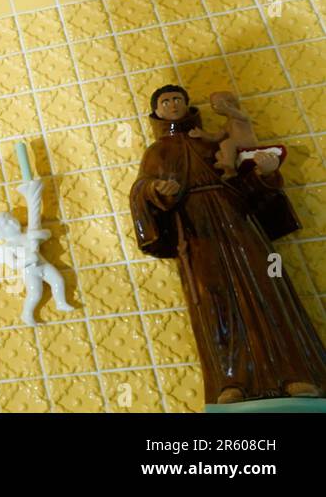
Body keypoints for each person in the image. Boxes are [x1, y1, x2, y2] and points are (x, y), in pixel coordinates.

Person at [129, 84, 326, 405]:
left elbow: (245, 180)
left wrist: (265, 175)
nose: (173, 103)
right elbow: (141, 190)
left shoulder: (214, 141)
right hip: (195, 234)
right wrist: (156, 190)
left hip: (240, 221)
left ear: (188, 104)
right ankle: (232, 381)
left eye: (177, 98)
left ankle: (296, 373)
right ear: (156, 112)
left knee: (268, 288)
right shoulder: (156, 153)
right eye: (165, 101)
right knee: (212, 301)